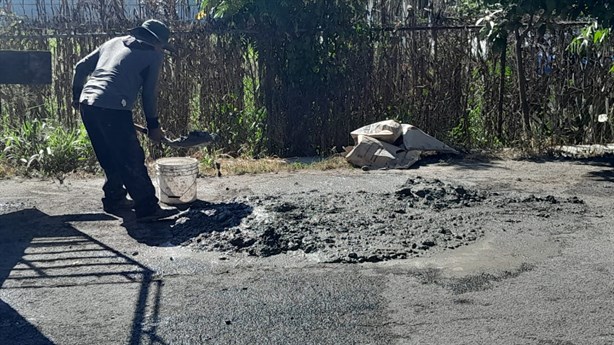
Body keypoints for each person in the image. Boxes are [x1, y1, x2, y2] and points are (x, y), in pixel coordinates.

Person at [72, 19, 180, 222]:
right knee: (131, 157)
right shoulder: (153, 55)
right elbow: (148, 95)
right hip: (113, 107)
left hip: (89, 104)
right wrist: (153, 125)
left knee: (109, 156)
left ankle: (114, 199)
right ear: (157, 42)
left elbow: (80, 67)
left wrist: (76, 97)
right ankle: (147, 208)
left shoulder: (113, 42)